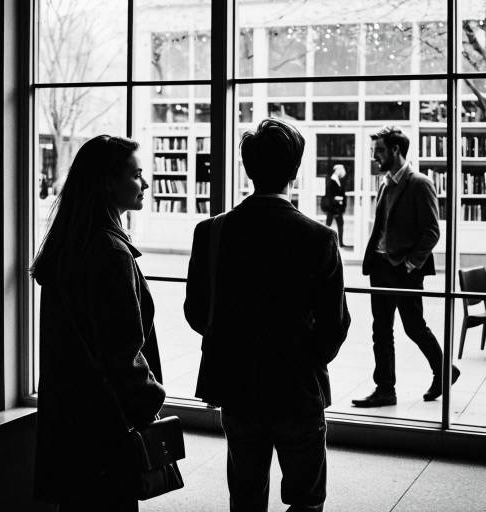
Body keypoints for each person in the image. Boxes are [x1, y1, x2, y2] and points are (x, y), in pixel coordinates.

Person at [184, 118, 350, 512]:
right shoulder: (319, 237)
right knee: (306, 496)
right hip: (297, 384)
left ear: (247, 168)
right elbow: (336, 324)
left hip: (237, 382)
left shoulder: (212, 232)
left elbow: (195, 311)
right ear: (294, 170)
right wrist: (306, 356)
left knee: (245, 491)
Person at [31, 135, 166, 512]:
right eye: (136, 175)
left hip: (71, 416)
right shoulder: (110, 251)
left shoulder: (69, 243)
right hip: (105, 426)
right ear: (108, 182)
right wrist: (150, 399)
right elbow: (123, 351)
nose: (145, 183)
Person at [352, 126, 460, 408]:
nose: (374, 156)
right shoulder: (387, 182)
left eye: (379, 151)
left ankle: (444, 370)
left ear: (396, 150)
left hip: (403, 269)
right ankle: (385, 389)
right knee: (381, 330)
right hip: (381, 266)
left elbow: (432, 231)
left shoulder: (419, 183)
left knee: (414, 326)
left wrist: (411, 264)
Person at [324, 164, 347, 248]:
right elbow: (330, 194)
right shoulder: (332, 179)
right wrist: (337, 198)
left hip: (336, 206)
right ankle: (328, 242)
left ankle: (340, 243)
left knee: (337, 224)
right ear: (338, 170)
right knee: (329, 224)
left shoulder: (336, 179)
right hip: (333, 207)